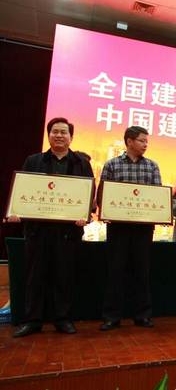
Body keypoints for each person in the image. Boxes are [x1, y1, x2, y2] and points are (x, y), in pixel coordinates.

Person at [9, 118, 94, 338]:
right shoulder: (34, 161)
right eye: (55, 131)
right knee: (34, 276)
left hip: (68, 232)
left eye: (64, 132)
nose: (59, 135)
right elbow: (22, 190)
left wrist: (85, 215)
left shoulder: (81, 163)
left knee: (64, 276)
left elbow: (89, 194)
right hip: (37, 230)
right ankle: (33, 320)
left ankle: (62, 319)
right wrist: (16, 210)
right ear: (49, 135)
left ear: (71, 137)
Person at [99, 126, 161, 331]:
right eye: (142, 141)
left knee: (142, 272)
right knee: (115, 271)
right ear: (129, 141)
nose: (145, 144)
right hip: (118, 228)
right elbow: (102, 195)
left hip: (143, 228)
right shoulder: (112, 164)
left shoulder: (152, 166)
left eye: (147, 141)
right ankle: (111, 317)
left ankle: (142, 315)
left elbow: (158, 196)